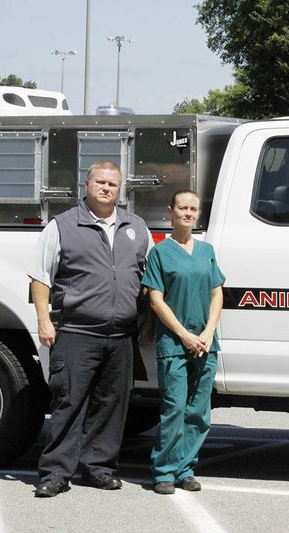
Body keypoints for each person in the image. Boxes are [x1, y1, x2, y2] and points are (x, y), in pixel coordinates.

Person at [29, 160, 151, 498]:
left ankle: (98, 467)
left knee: (112, 403)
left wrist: (147, 323)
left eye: (113, 184)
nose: (106, 188)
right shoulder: (63, 226)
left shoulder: (136, 227)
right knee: (69, 402)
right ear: (87, 184)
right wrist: (43, 320)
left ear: (120, 188)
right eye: (100, 182)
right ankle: (56, 472)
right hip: (76, 333)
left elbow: (149, 281)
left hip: (121, 335)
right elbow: (40, 277)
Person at [141, 189, 225, 495]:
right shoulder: (160, 253)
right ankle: (164, 471)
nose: (188, 213)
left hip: (205, 344)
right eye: (182, 208)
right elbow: (156, 299)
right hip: (175, 343)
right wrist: (184, 334)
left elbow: (217, 293)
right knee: (174, 408)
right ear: (171, 211)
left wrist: (206, 332)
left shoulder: (207, 250)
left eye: (193, 209)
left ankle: (186, 469)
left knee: (198, 412)